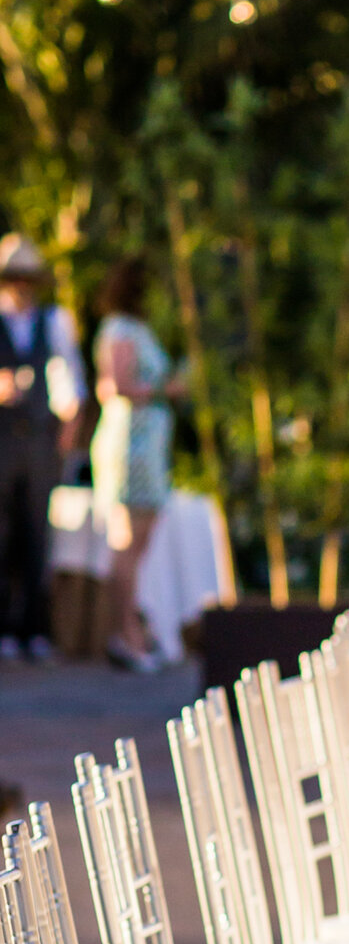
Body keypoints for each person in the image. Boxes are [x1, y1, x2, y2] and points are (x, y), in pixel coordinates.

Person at [90, 257, 183, 672]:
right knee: (127, 541)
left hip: (150, 445)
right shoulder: (121, 329)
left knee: (140, 541)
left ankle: (134, 630)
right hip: (132, 447)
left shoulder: (139, 329)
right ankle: (126, 635)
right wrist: (168, 388)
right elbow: (116, 385)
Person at [0, 233, 87, 661]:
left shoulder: (52, 323)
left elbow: (69, 381)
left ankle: (34, 628)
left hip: (37, 444)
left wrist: (67, 429)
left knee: (37, 534)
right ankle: (4, 629)